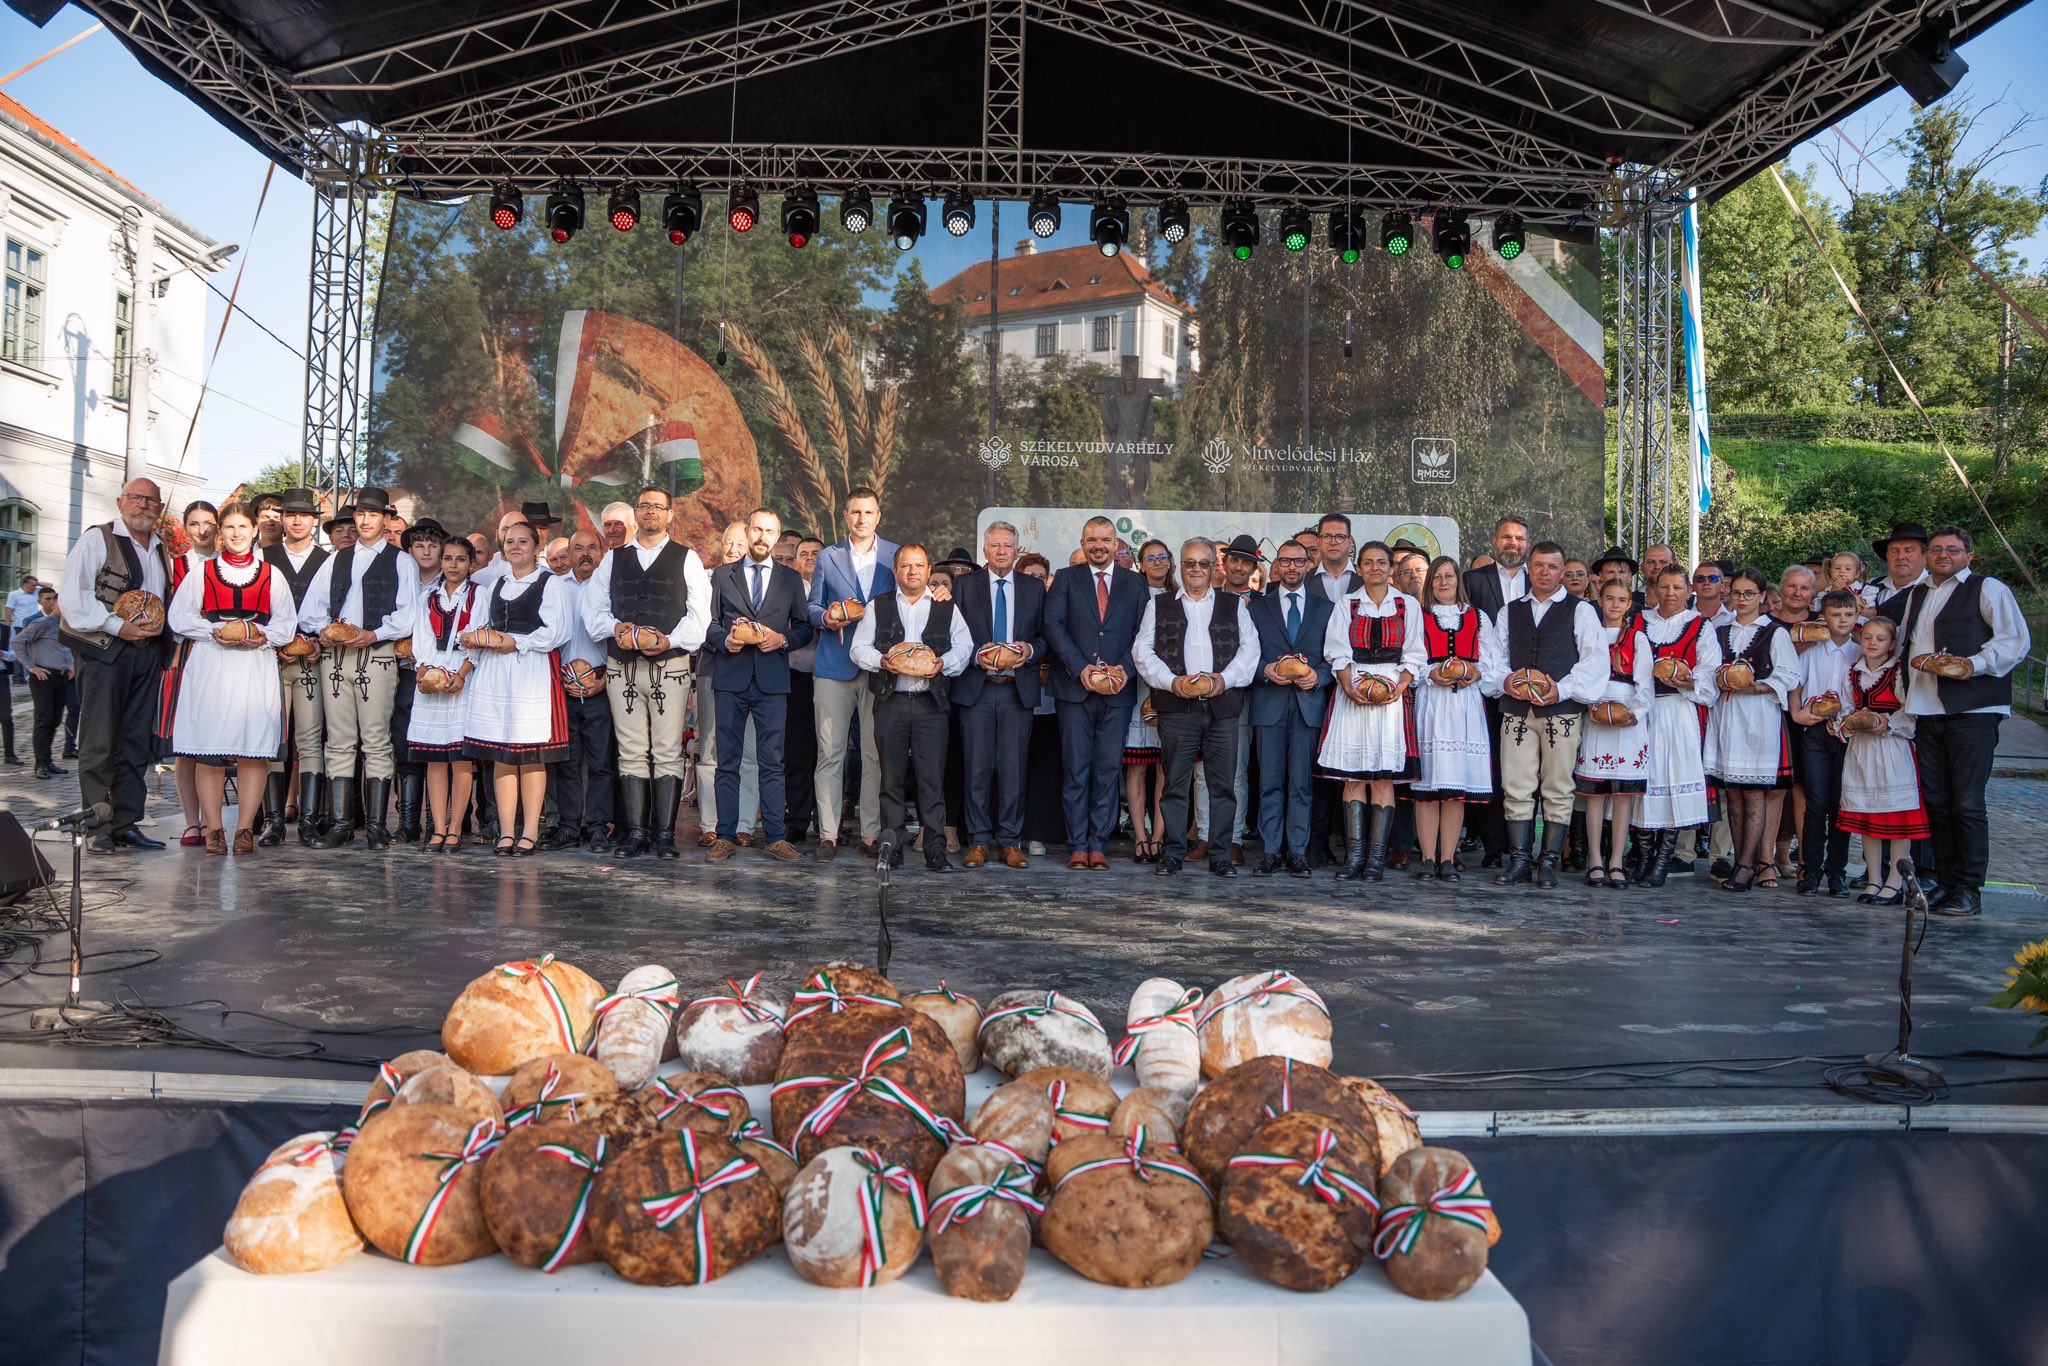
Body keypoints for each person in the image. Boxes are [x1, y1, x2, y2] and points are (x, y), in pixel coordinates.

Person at [1881, 525, 2032, 918]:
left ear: (1969, 555)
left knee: (1966, 802)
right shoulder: (1918, 592)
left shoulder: (1987, 588)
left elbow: (2014, 640)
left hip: (1974, 710)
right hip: (1925, 710)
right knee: (1935, 801)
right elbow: (1903, 646)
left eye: (1952, 549)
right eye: (1936, 549)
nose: (1943, 555)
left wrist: (1973, 665)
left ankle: (1968, 888)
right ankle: (1945, 884)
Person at [581, 484, 712, 859]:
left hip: (668, 666)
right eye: (644, 505)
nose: (651, 511)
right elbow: (593, 612)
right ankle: (638, 834)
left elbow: (699, 619)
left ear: (670, 515)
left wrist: (668, 641)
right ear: (635, 514)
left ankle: (666, 835)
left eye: (659, 506)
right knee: (632, 752)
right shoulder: (613, 559)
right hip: (622, 667)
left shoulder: (687, 559)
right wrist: (615, 629)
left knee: (668, 751)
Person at [164, 503, 298, 855]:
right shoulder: (203, 572)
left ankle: (243, 829)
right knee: (209, 750)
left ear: (255, 530)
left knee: (252, 749)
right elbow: (178, 617)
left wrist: (262, 634)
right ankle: (214, 828)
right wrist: (215, 631)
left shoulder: (271, 575)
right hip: (212, 663)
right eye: (229, 527)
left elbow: (286, 624)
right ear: (220, 533)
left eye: (243, 527)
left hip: (254, 665)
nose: (236, 534)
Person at [298, 487, 422, 849]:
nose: (365, 520)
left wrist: (375, 633)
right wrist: (324, 629)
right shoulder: (336, 558)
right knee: (338, 741)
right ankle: (340, 824)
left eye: (372, 514)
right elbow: (311, 608)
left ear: (386, 519)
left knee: (376, 740)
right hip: (335, 657)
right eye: (360, 514)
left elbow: (408, 613)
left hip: (378, 655)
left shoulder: (401, 561)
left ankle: (377, 826)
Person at [1479, 541, 1607, 888]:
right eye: (1538, 566)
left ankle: (1548, 863)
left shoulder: (1580, 611)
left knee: (1558, 787)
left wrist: (1561, 689)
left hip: (1561, 711)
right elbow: (1493, 659)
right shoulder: (1511, 611)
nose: (1545, 572)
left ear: (1562, 572)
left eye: (1552, 567)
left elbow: (1595, 661)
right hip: (1517, 710)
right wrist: (1507, 681)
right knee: (1516, 786)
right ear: (1529, 568)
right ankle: (1520, 861)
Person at [1133, 537, 1259, 878]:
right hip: (1176, 706)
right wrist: (1169, 682)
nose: (1197, 570)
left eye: (1204, 563)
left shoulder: (1234, 605)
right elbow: (1142, 652)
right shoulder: (1159, 605)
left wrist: (1224, 679)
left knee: (1222, 785)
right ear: (1181, 566)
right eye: (1190, 563)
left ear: (1212, 567)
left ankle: (1220, 854)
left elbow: (1250, 650)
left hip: (1222, 707)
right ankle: (1172, 853)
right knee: (1175, 783)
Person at [59, 477, 172, 852]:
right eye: (136, 498)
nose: (144, 505)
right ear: (121, 502)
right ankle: (97, 829)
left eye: (152, 500)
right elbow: (73, 601)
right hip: (105, 652)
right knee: (98, 743)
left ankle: (126, 824)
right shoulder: (97, 539)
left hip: (146, 655)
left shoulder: (160, 548)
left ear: (159, 507)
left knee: (134, 743)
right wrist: (117, 626)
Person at [850, 543, 974, 871]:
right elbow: (857, 647)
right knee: (890, 779)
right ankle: (893, 847)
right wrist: (881, 661)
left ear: (928, 569)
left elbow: (965, 645)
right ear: (896, 570)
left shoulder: (946, 607)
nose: (913, 571)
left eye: (919, 565)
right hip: (890, 702)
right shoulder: (880, 606)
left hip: (930, 704)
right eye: (906, 566)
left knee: (931, 779)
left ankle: (935, 849)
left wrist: (943, 663)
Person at [706, 508, 813, 861]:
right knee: (728, 761)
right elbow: (706, 625)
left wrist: (782, 640)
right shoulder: (723, 575)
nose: (763, 537)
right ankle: (725, 835)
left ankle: (776, 837)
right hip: (731, 677)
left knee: (772, 761)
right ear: (748, 532)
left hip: (771, 680)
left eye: (770, 531)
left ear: (777, 535)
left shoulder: (790, 579)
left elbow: (803, 628)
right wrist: (725, 641)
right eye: (757, 529)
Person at [1044, 514, 1149, 870]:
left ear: (1116, 544)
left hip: (1118, 692)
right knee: (1076, 768)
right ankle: (1077, 845)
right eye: (1092, 540)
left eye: (1105, 540)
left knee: (1107, 770)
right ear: (1083, 542)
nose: (1099, 546)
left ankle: (1098, 844)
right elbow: (1054, 627)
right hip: (1074, 690)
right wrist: (1081, 668)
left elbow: (1142, 634)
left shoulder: (1135, 584)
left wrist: (1124, 668)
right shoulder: (1066, 579)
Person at [463, 520, 573, 856]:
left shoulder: (550, 584)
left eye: (522, 541)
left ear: (536, 547)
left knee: (531, 756)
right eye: (510, 541)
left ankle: (529, 832)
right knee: (503, 755)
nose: (515, 546)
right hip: (497, 674)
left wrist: (517, 642)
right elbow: (479, 626)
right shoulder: (494, 583)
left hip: (531, 671)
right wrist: (473, 639)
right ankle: (507, 831)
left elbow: (558, 632)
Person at [1319, 541, 1426, 882]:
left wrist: (1400, 685)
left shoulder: (1407, 604)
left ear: (1391, 568)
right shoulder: (1347, 604)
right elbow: (1336, 650)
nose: (1376, 568)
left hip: (1393, 696)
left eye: (1382, 562)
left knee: (1382, 778)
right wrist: (1350, 686)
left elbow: (1415, 652)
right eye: (1368, 563)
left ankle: (1375, 860)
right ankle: (1354, 858)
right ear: (1360, 567)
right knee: (1352, 777)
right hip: (1353, 692)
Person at [807, 486, 896, 860]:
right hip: (833, 666)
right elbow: (812, 606)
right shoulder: (828, 557)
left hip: (879, 667)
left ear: (879, 516)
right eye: (855, 512)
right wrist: (825, 617)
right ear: (846, 516)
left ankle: (871, 834)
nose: (862, 519)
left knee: (875, 755)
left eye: (868, 512)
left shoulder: (895, 556)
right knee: (831, 753)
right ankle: (828, 834)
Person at [951, 521, 1046, 868]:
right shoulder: (964, 586)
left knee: (1013, 770)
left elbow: (1046, 637)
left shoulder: (1034, 589)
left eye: (1008, 545)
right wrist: (977, 654)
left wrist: (1030, 650)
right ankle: (977, 841)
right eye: (995, 545)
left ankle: (1009, 841)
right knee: (976, 769)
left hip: (1015, 691)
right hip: (977, 689)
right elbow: (951, 635)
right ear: (985, 550)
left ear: (1017, 550)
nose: (1002, 551)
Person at [1704, 567, 1800, 892]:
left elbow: (1789, 674)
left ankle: (1747, 865)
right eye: (1737, 593)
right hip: (1727, 715)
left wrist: (1757, 687)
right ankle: (1738, 859)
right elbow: (1708, 670)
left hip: (1758, 717)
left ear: (1762, 597)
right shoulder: (1719, 631)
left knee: (1754, 791)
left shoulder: (1775, 632)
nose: (1742, 599)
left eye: (1749, 594)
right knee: (1732, 792)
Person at [1245, 538, 1334, 877]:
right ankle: (1270, 851)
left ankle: (1297, 851)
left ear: (1309, 564)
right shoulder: (1257, 608)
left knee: (1301, 784)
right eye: (1286, 561)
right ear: (1277, 565)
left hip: (1308, 705)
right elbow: (1245, 656)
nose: (1293, 567)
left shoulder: (1325, 608)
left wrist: (1319, 677)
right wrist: (1264, 671)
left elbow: (1333, 658)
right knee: (1269, 782)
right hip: (1269, 703)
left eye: (1299, 561)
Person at [1634, 563, 1721, 885]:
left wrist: (1685, 681)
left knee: (1670, 782)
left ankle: (1662, 861)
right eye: (1664, 587)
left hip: (1676, 712)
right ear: (1654, 590)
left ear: (1688, 592)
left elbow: (1710, 674)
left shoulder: (1700, 626)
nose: (1670, 593)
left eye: (1677, 588)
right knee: (1641, 783)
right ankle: (1643, 857)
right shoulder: (1639, 621)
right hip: (1641, 712)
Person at [1833, 614, 1929, 905]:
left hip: (1892, 751)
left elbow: (1909, 712)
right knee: (1866, 815)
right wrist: (1848, 721)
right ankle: (1873, 878)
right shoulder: (1853, 672)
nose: (1873, 643)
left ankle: (1895, 881)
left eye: (1880, 638)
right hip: (1862, 751)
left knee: (1898, 818)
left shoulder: (1897, 673)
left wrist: (1886, 723)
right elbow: (1845, 705)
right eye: (1868, 637)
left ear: (1892, 643)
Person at [1410, 555, 1495, 880]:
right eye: (1437, 578)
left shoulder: (1477, 617)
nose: (1444, 583)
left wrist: (1472, 672)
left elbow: (1490, 662)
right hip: (1432, 704)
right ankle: (1428, 858)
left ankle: (1448, 857)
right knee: (1429, 788)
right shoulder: (1420, 615)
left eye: (1449, 576)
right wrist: (1432, 673)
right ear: (1430, 583)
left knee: (1455, 787)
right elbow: (1412, 659)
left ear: (1458, 581)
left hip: (1464, 707)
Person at [262, 488, 332, 845]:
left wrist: (317, 641)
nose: (297, 520)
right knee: (273, 738)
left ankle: (308, 818)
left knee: (309, 739)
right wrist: (275, 641)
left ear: (313, 521)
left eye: (304, 515)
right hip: (270, 657)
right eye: (290, 515)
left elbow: (335, 608)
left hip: (310, 658)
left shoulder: (328, 559)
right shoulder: (265, 556)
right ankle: (272, 820)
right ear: (283, 519)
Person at [1574, 578, 1653, 887]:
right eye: (1609, 598)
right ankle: (1595, 859)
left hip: (1628, 717)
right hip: (1595, 712)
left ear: (1629, 604)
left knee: (1622, 795)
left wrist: (1635, 713)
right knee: (1594, 794)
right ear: (1600, 599)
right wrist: (1590, 705)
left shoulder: (1637, 639)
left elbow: (1645, 683)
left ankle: (1617, 860)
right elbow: (1579, 674)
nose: (1615, 604)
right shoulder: (1587, 634)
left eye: (1622, 599)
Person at [1463, 516, 1531, 870]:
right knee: (1492, 769)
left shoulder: (1540, 579)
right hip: (1488, 690)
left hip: (1533, 691)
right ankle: (1493, 846)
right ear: (1494, 541)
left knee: (1526, 771)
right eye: (1506, 536)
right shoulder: (1473, 581)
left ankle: (1524, 846)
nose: (1513, 543)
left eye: (1519, 538)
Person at [545, 527, 616, 851]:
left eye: (592, 548)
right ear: (569, 554)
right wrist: (557, 679)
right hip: (562, 689)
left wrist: (608, 677)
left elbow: (618, 637)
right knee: (567, 762)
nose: (585, 554)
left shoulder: (612, 588)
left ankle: (598, 826)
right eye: (578, 548)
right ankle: (569, 827)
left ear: (601, 553)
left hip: (602, 685)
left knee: (601, 762)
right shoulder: (554, 588)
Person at [409, 535, 478, 851]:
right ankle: (437, 827)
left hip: (463, 677)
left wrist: (461, 674)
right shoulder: (428, 597)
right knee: (435, 758)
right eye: (448, 558)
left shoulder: (479, 595)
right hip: (433, 674)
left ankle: (455, 828)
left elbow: (477, 637)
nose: (453, 565)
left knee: (460, 759)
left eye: (460, 559)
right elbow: (421, 638)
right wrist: (423, 669)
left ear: (470, 563)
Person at [1790, 589, 1860, 896]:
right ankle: (1811, 870)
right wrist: (1797, 712)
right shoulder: (1811, 652)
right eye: (1835, 614)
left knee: (1840, 806)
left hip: (1848, 735)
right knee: (1816, 804)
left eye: (1848, 615)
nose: (1842, 620)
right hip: (1816, 733)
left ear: (1856, 617)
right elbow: (1796, 684)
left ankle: (1837, 873)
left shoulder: (1860, 652)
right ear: (1824, 618)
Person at [159, 500, 218, 847]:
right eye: (194, 524)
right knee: (185, 743)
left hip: (225, 655)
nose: (202, 530)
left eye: (209, 523)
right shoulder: (175, 565)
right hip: (187, 652)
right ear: (185, 528)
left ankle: (214, 819)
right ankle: (191, 821)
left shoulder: (234, 565)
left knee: (216, 738)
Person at [391, 517, 448, 845]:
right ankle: (409, 820)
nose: (426, 551)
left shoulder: (451, 582)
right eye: (419, 545)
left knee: (439, 746)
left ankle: (438, 821)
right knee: (406, 744)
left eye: (433, 544)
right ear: (409, 550)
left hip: (440, 674)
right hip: (405, 672)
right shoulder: (401, 579)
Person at [1122, 538, 1174, 861]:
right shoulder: (1131, 597)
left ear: (1170, 561)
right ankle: (1140, 836)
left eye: (1162, 556)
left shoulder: (1181, 597)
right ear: (1141, 564)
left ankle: (1159, 835)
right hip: (1137, 684)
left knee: (1165, 766)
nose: (1157, 562)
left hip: (1169, 686)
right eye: (1150, 557)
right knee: (1138, 765)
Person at [1015, 553, 1065, 857]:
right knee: (1013, 770)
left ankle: (1037, 834)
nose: (1036, 581)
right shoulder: (1013, 606)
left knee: (1043, 772)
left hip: (1048, 705)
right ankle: (1011, 832)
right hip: (1017, 700)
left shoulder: (1054, 608)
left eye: (1041, 576)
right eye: (1029, 576)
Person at [1220, 533, 1265, 862]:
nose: (1238, 566)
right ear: (1223, 563)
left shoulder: (1262, 604)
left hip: (1244, 694)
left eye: (1245, 562)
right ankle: (1206, 835)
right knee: (1202, 769)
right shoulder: (1204, 597)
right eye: (1233, 560)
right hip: (1203, 692)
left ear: (1253, 568)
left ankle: (1232, 838)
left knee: (1236, 770)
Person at [784, 536, 822, 844]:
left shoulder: (835, 590)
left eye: (815, 553)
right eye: (803, 554)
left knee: (830, 753)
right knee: (798, 752)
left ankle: (827, 821)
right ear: (796, 561)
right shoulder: (787, 590)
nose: (809, 558)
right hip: (795, 677)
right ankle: (797, 819)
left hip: (831, 677)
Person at [16, 584, 72, 778]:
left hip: (62, 676)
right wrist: (31, 666)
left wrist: (71, 664)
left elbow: (67, 649)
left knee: (55, 720)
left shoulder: (67, 624)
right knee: (44, 719)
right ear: (54, 605)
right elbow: (18, 642)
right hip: (43, 676)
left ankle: (48, 760)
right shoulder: (43, 623)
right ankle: (40, 764)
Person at [1861, 522, 1928, 613]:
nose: (1900, 557)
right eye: (1894, 551)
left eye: (1908, 550)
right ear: (1887, 556)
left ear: (1925, 557)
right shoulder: (1870, 586)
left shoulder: (1935, 590)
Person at [1311, 513, 1361, 602]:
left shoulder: (1365, 578)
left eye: (1340, 537)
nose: (1333, 542)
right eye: (1327, 536)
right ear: (1318, 542)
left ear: (1350, 542)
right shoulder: (1304, 581)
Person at [1691, 562, 1733, 626]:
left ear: (1723, 587)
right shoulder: (1682, 620)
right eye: (1700, 579)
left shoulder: (1733, 621)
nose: (1706, 582)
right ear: (1693, 587)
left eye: (1713, 578)